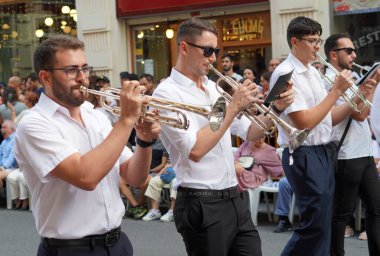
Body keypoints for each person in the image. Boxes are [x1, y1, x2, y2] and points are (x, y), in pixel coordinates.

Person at [153, 17, 294, 256]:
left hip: (233, 197)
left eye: (216, 51)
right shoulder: (167, 93)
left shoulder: (213, 87)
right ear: (184, 47)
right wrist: (232, 107)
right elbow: (196, 149)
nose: (213, 58)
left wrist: (277, 108)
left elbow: (251, 132)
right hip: (201, 202)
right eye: (207, 51)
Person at [14, 35, 160, 256]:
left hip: (118, 243)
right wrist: (126, 120)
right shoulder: (33, 123)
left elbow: (135, 177)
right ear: (45, 77)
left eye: (85, 68)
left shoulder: (95, 116)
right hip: (71, 249)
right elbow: (85, 176)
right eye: (71, 70)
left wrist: (144, 141)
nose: (83, 78)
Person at [269, 16, 359, 256]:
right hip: (302, 152)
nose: (317, 46)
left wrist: (355, 100)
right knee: (314, 224)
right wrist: (336, 91)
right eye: (312, 41)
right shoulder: (286, 73)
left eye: (319, 41)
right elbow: (304, 121)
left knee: (323, 222)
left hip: (322, 150)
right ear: (295, 41)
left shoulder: (312, 72)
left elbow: (326, 118)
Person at [323, 33, 380, 256]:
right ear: (333, 55)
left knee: (376, 210)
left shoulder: (354, 75)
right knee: (341, 215)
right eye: (349, 51)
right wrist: (372, 84)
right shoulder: (329, 79)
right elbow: (360, 113)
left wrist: (367, 83)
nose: (354, 55)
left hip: (364, 153)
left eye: (354, 50)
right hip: (347, 156)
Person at [0, 120, 19, 203]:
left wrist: (3, 167)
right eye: (1, 127)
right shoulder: (4, 142)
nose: (2, 130)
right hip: (2, 167)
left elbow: (12, 157)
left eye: (4, 127)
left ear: (12, 129)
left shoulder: (15, 139)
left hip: (12, 167)